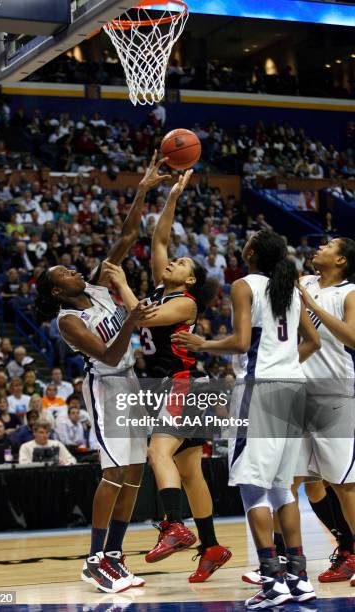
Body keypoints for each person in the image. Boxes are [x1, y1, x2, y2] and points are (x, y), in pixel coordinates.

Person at [35, 153, 166, 593]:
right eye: (66, 273)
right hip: (107, 386)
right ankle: (94, 558)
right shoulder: (67, 321)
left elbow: (128, 235)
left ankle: (114, 554)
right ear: (58, 291)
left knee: (135, 471)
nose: (76, 271)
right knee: (112, 472)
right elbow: (109, 357)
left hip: (130, 382)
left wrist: (145, 188)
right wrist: (133, 316)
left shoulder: (93, 286)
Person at [172, 230, 321, 608]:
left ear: (251, 251)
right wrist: (285, 368)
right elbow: (313, 342)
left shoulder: (244, 285)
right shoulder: (288, 287)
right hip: (293, 390)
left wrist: (203, 344)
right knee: (283, 489)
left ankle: (272, 583)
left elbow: (240, 342)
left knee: (253, 488)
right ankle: (298, 579)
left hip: (260, 392)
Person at [105, 170, 231, 583]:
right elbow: (159, 239)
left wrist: (122, 283)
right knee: (190, 472)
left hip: (181, 385)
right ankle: (211, 545)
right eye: (172, 261)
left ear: (190, 279)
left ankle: (175, 527)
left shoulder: (186, 304)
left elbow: (140, 314)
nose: (172, 261)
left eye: (181, 263)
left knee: (157, 453)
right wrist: (173, 195)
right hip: (180, 387)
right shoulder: (165, 287)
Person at [294, 237, 355, 585]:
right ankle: (291, 561)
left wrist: (312, 307)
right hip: (296, 393)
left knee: (344, 483)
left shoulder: (348, 293)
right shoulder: (303, 282)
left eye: (329, 245)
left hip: (333, 393)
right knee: (297, 482)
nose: (320, 247)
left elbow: (352, 337)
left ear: (342, 259)